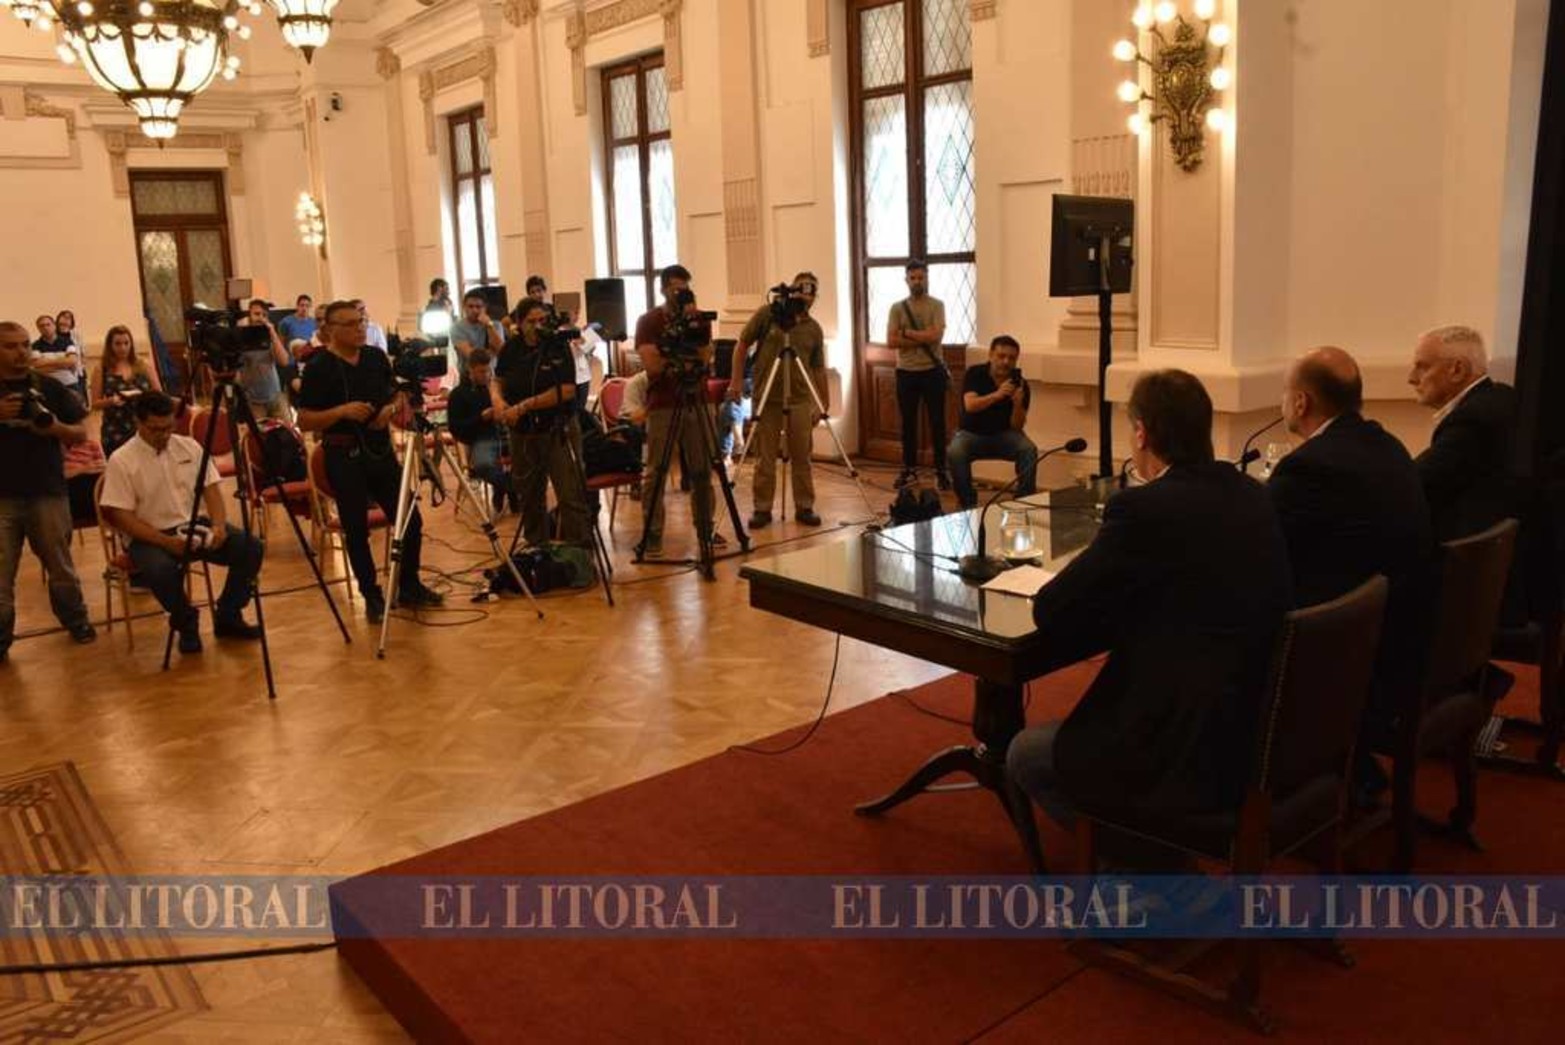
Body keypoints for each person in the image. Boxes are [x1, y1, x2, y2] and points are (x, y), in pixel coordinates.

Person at [1007, 370, 1292, 844]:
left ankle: (1150, 867)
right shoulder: (1251, 493)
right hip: (1260, 717)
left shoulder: (1145, 509)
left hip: (1190, 736)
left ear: (1141, 433)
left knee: (1025, 753)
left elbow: (1052, 609)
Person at [1268, 346, 1435, 802]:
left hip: (1361, 657)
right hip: (1405, 633)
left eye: (1285, 393)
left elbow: (1258, 552)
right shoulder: (1386, 443)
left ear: (1300, 402)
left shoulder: (1309, 466)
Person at [295, 300, 443, 622]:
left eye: (361, 321)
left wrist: (389, 411)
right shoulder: (320, 366)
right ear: (330, 330)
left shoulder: (375, 358)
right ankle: (371, 594)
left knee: (410, 520)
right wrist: (341, 412)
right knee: (356, 528)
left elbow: (397, 394)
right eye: (350, 324)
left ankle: (409, 584)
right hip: (343, 454)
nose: (359, 328)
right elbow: (304, 420)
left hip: (381, 451)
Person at [99, 391, 265, 654]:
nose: (163, 435)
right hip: (149, 534)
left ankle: (229, 615)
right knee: (160, 570)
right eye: (155, 429)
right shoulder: (122, 459)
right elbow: (121, 516)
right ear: (138, 423)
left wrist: (219, 525)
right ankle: (186, 622)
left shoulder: (189, 446)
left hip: (193, 523)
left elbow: (211, 489)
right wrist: (165, 541)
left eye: (168, 428)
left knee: (251, 548)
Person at [0, 319, 96, 659]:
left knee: (60, 566)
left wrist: (55, 428)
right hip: (2, 498)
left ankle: (76, 620)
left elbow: (81, 432)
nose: (20, 352)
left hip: (47, 490)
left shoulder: (49, 387)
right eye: (10, 346)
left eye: (25, 344)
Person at [731, 273, 827, 528]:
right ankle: (762, 508)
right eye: (801, 289)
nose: (805, 295)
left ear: (815, 296)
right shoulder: (767, 315)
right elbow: (742, 345)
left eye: (811, 291)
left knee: (801, 456)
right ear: (792, 290)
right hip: (767, 397)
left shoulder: (814, 329)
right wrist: (736, 382)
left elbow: (818, 368)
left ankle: (804, 506)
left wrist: (822, 402)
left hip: (800, 399)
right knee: (765, 457)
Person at [492, 298, 589, 547]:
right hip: (522, 432)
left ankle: (580, 551)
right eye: (531, 321)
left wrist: (524, 406)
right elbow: (497, 379)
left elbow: (566, 391)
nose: (537, 326)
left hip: (557, 429)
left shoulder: (559, 347)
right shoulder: (510, 349)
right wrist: (497, 400)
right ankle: (537, 548)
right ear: (519, 324)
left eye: (542, 320)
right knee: (529, 495)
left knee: (570, 494)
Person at [634, 265, 716, 558]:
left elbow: (705, 358)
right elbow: (652, 366)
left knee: (702, 470)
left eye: (685, 286)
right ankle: (652, 535)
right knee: (656, 471)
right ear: (663, 288)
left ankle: (706, 530)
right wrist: (680, 357)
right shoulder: (648, 321)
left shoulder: (699, 319)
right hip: (663, 404)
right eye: (675, 287)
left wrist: (673, 354)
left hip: (698, 399)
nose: (681, 292)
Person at [1407, 325, 1518, 542]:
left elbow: (1416, 484)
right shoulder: (1499, 396)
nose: (1412, 378)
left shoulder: (1472, 419)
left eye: (1422, 367)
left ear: (1457, 370)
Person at [947, 335, 1038, 509]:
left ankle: (1024, 500)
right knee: (955, 451)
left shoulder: (1021, 384)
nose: (1006, 362)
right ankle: (967, 502)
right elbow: (970, 405)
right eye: (1001, 356)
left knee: (1028, 449)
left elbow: (1017, 427)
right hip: (971, 434)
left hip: (1004, 435)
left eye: (1011, 358)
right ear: (990, 355)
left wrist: (1018, 404)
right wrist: (997, 395)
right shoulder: (975, 373)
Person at [887, 259, 949, 490]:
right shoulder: (897, 308)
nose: (917, 281)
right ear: (906, 280)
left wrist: (906, 333)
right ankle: (909, 468)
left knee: (937, 423)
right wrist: (921, 335)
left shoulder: (937, 305)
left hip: (933, 371)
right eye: (912, 277)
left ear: (927, 278)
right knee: (908, 424)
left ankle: (941, 471)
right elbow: (891, 341)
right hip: (906, 373)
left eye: (921, 277)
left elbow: (936, 337)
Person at [446, 347, 513, 514]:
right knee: (483, 466)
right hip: (480, 437)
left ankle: (507, 488)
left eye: (488, 371)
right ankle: (512, 488)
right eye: (481, 372)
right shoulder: (458, 394)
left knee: (530, 456)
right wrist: (481, 418)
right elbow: (455, 427)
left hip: (505, 433)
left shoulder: (495, 389)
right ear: (470, 370)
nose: (486, 375)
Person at [90, 324, 163, 459]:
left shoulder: (143, 365)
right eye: (117, 344)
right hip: (115, 428)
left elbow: (159, 394)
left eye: (126, 343)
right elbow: (94, 404)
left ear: (131, 344)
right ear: (110, 345)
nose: (123, 348)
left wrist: (144, 396)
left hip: (143, 425)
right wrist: (111, 401)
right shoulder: (101, 369)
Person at [235, 298, 292, 420]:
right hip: (253, 399)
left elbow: (284, 361)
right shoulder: (242, 338)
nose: (260, 318)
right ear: (249, 315)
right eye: (256, 314)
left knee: (287, 433)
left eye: (264, 315)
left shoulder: (270, 337)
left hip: (275, 395)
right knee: (261, 436)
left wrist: (272, 333)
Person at [31, 313, 84, 406]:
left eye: (48, 324)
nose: (46, 328)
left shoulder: (67, 341)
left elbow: (72, 361)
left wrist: (47, 362)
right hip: (48, 387)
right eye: (42, 326)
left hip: (69, 384)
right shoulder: (35, 346)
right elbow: (37, 366)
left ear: (54, 325)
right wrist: (62, 364)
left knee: (76, 413)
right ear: (38, 329)